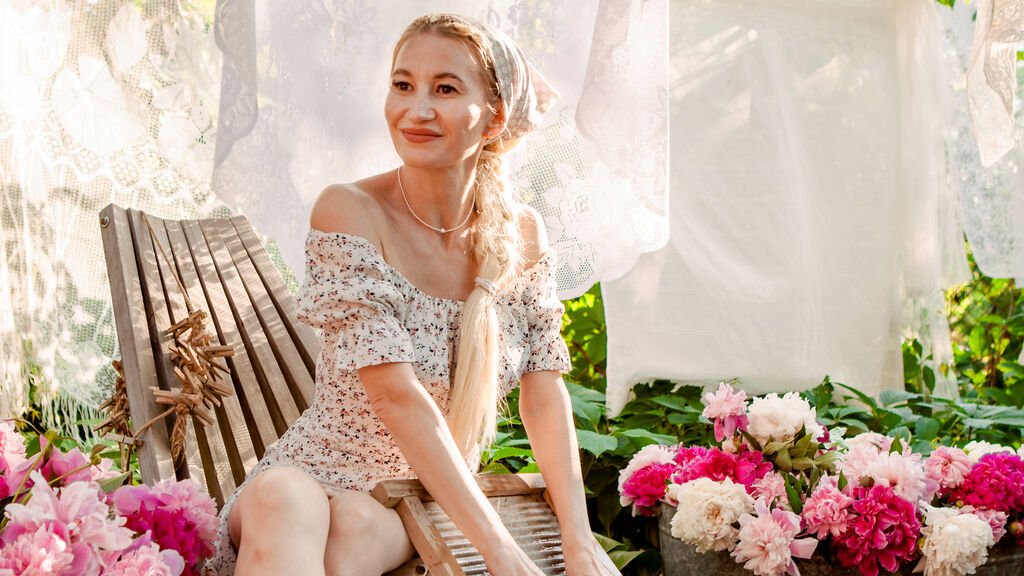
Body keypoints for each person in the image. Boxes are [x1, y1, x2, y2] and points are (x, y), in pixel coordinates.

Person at [203, 13, 619, 576]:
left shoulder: (520, 235)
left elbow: (544, 394)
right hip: (308, 478)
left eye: (444, 89)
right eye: (403, 85)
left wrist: (579, 538)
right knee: (285, 498)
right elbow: (395, 396)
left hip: (407, 503)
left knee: (353, 529)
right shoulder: (350, 210)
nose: (416, 110)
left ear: (494, 117)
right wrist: (499, 551)